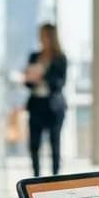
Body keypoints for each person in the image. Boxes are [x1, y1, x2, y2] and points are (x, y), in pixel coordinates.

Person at [23, 22, 67, 177]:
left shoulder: (60, 58)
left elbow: (60, 83)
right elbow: (28, 82)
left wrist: (42, 76)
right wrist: (30, 77)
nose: (42, 39)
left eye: (45, 35)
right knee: (34, 144)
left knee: (55, 143)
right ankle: (36, 177)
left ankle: (55, 177)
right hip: (36, 105)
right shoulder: (34, 56)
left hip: (54, 107)